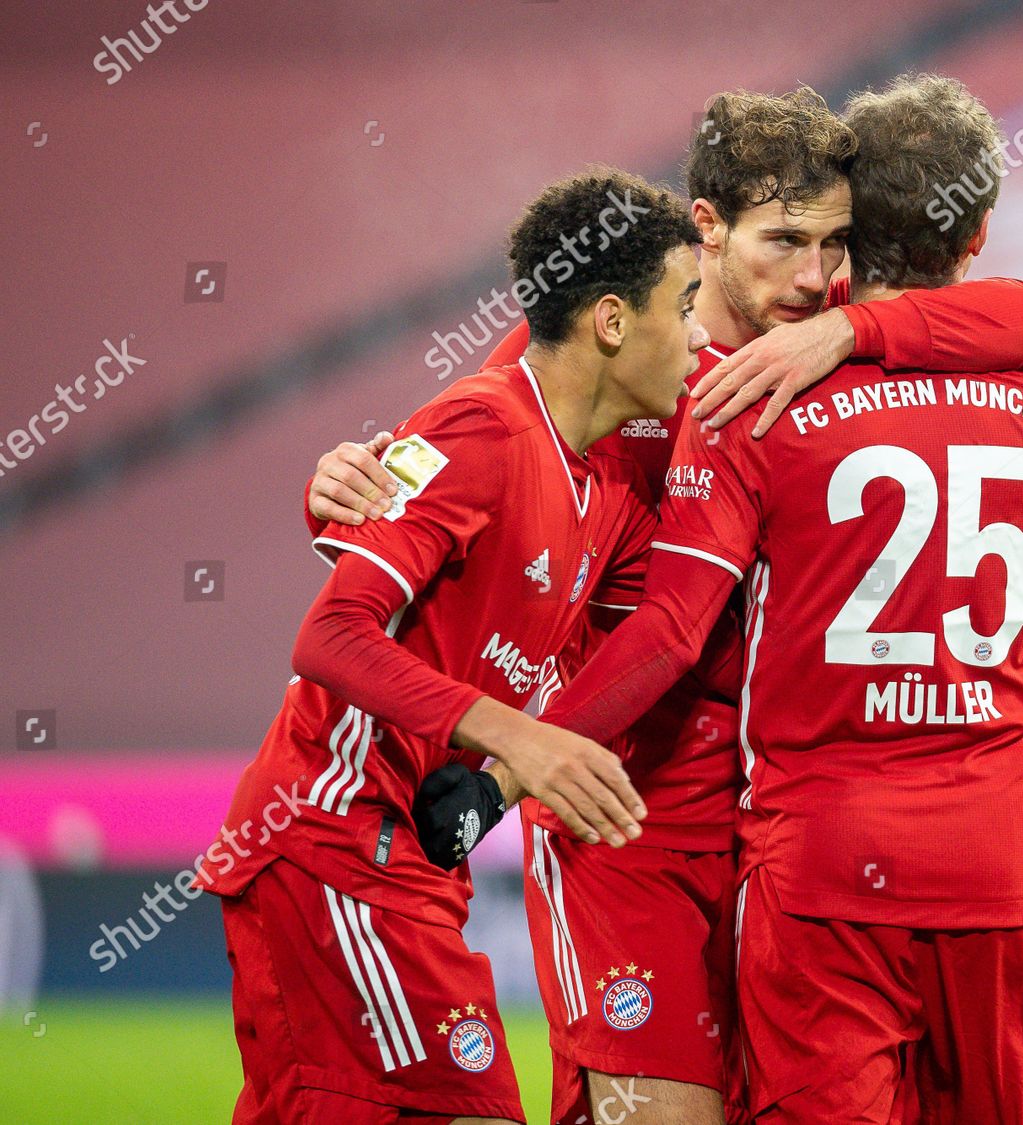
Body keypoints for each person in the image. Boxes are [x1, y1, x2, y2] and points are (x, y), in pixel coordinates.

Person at [308, 85, 1023, 1125]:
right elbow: (436, 473)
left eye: (837, 244)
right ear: (705, 230)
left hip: (792, 841)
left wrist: (845, 336)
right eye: (783, 241)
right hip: (632, 825)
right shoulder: (608, 356)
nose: (814, 275)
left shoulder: (833, 350)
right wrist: (330, 487)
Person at [196, 168, 706, 1124]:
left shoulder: (607, 489)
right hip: (331, 842)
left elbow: (675, 626)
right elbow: (331, 633)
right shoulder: (482, 427)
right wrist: (522, 737)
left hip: (412, 866)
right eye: (682, 307)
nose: (700, 336)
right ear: (609, 321)